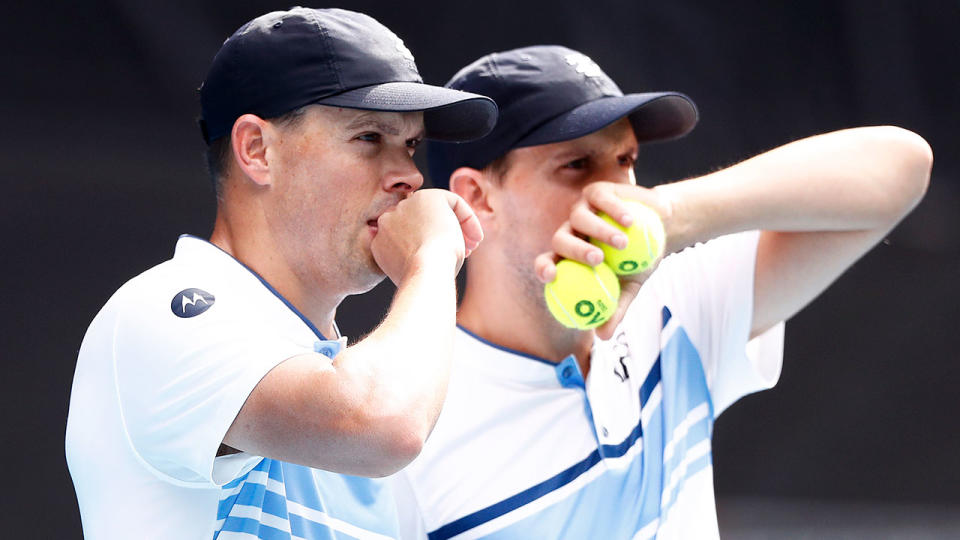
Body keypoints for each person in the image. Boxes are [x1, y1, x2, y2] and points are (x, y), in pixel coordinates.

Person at [391, 45, 932, 539]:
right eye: (576, 165)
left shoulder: (674, 302)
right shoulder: (407, 420)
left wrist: (673, 214)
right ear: (476, 197)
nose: (617, 193)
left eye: (625, 160)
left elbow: (902, 164)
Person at [64, 7, 498, 539]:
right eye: (368, 138)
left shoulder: (367, 380)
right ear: (256, 149)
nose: (409, 175)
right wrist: (430, 258)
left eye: (410, 145)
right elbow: (386, 424)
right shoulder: (163, 309)